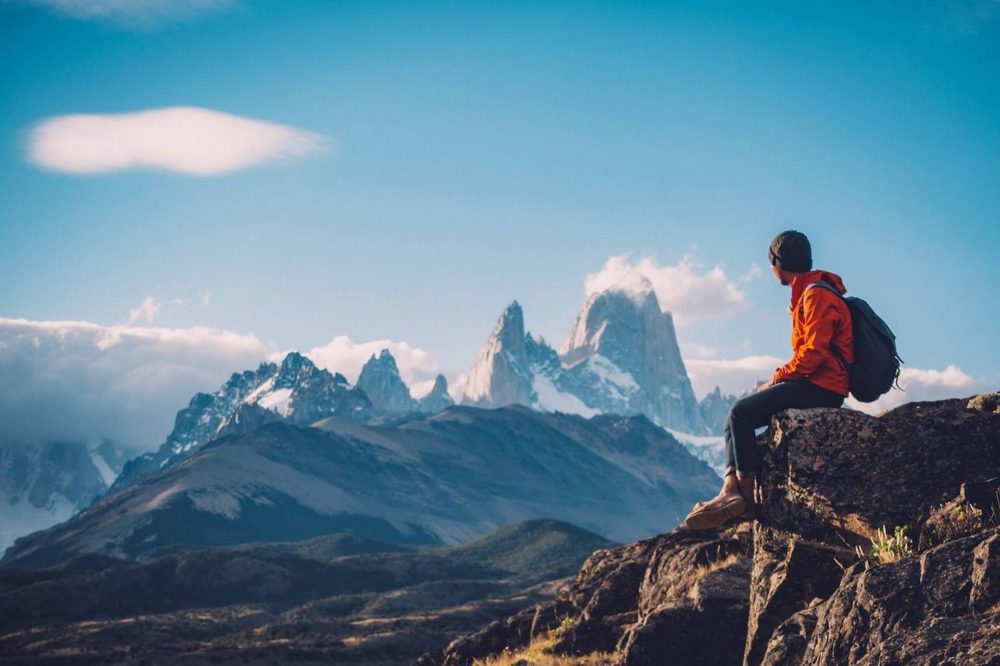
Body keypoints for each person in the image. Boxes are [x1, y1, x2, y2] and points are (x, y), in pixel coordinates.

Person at [684, 230, 853, 530]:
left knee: (741, 413)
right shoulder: (810, 292)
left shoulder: (816, 295)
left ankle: (745, 502)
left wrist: (777, 378)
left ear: (777, 263)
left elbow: (813, 355)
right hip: (817, 382)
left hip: (823, 387)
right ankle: (730, 490)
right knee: (732, 419)